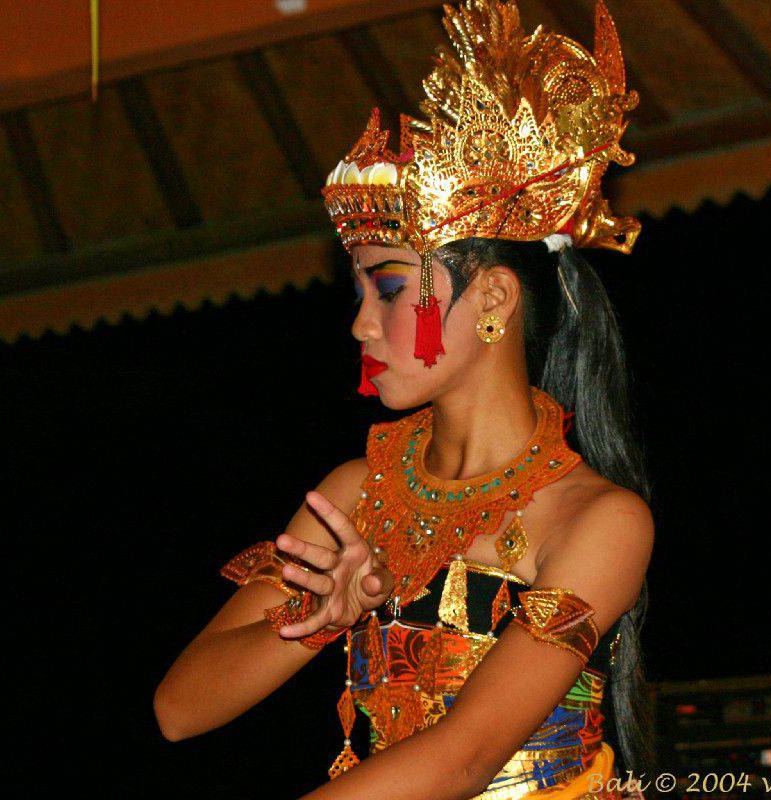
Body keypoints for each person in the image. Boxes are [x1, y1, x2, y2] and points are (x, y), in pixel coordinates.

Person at [153, 1, 655, 797]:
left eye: (388, 288)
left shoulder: (597, 520)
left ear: (493, 299)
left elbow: (465, 758)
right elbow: (179, 710)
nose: (361, 322)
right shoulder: (358, 494)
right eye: (359, 291)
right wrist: (312, 626)